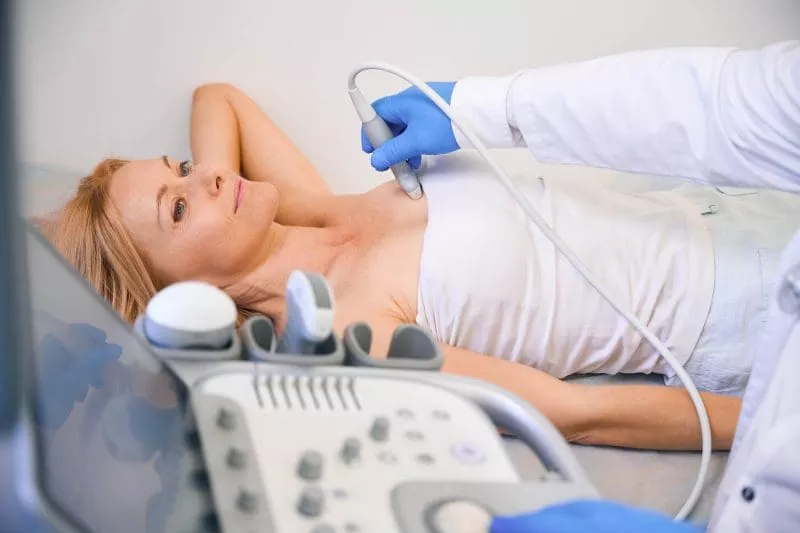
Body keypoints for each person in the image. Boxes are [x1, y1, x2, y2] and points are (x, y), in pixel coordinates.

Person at [43, 54, 798, 455]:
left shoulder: (319, 209)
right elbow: (581, 413)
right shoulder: (357, 332)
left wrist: (210, 207)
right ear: (176, 297)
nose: (203, 174)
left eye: (180, 165)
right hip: (739, 312)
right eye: (178, 205)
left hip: (739, 205)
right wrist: (776, 425)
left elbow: (219, 96)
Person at [358, 40, 800, 532]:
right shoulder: (346, 324)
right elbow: (721, 106)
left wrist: (470, 108)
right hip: (733, 301)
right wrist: (478, 109)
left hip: (735, 233)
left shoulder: (315, 214)